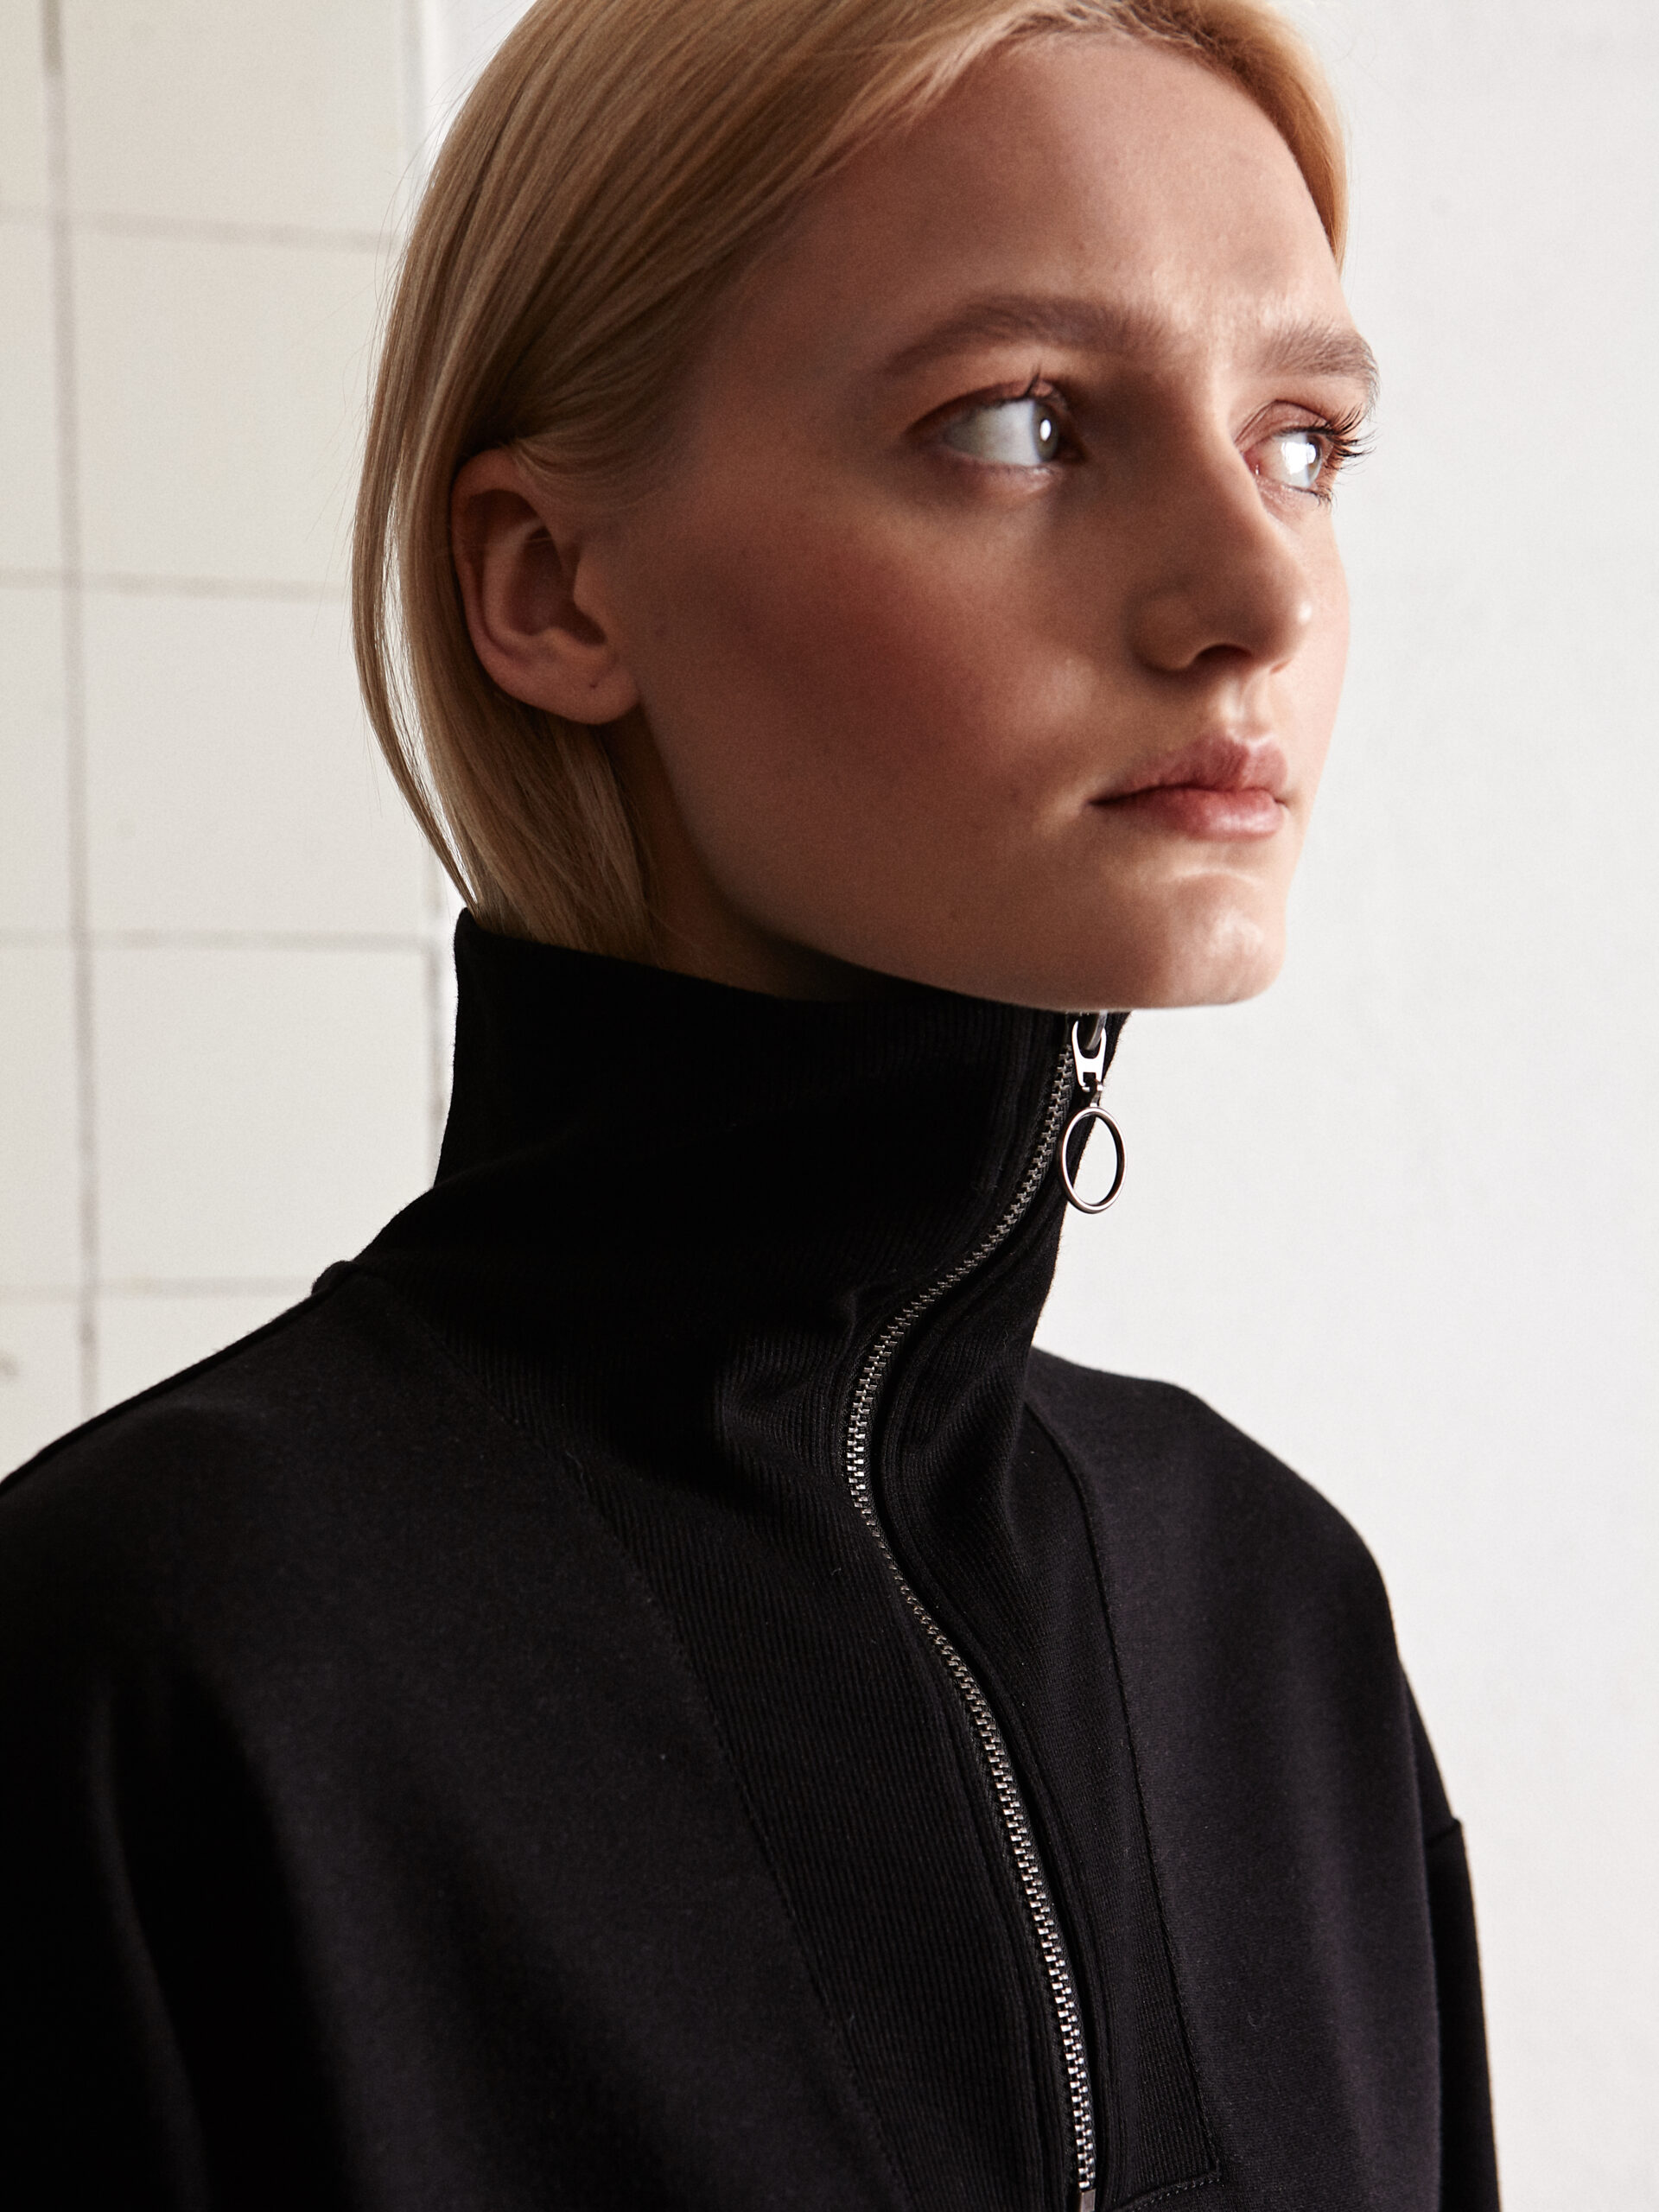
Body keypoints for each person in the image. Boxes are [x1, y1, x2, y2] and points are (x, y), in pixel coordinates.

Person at [0, 2, 1500, 2206]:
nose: (1259, 592)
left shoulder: (1271, 1618)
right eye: (1021, 422)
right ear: (548, 585)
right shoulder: (158, 1663)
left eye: (1304, 441)